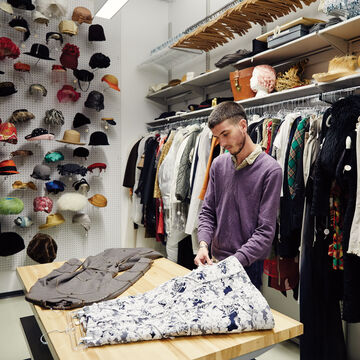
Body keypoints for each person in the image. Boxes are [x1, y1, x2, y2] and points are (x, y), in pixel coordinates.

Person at [194, 101, 282, 288]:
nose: (223, 143)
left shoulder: (270, 170)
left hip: (247, 266)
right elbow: (208, 212)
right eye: (217, 137)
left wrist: (233, 263)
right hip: (215, 260)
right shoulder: (219, 164)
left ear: (243, 126)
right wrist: (203, 245)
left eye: (225, 134)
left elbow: (265, 232)